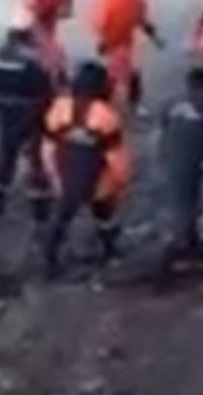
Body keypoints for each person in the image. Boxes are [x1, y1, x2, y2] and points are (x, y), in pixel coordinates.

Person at [40, 60, 133, 275]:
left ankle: (50, 255)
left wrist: (53, 174)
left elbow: (48, 146)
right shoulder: (106, 116)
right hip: (98, 176)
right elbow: (116, 156)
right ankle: (110, 250)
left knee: (63, 214)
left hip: (66, 171)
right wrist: (122, 180)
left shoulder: (59, 108)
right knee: (104, 213)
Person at [0, 20, 57, 220]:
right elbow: (45, 89)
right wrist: (47, 116)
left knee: (5, 154)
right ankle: (39, 206)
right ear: (28, 38)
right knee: (34, 157)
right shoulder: (33, 59)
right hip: (28, 112)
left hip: (3, 111)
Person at [157, 65, 203, 264]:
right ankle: (182, 244)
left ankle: (183, 237)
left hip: (172, 155)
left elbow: (161, 130)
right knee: (189, 199)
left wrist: (162, 154)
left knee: (176, 197)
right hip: (193, 157)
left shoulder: (172, 102)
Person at [88, 0, 162, 110]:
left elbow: (141, 18)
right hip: (114, 43)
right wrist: (103, 40)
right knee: (122, 75)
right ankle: (114, 105)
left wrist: (154, 37)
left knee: (122, 74)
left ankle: (112, 103)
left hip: (125, 42)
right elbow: (101, 20)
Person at [22, 0, 73, 81]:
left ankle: (52, 78)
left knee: (51, 53)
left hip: (47, 20)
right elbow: (30, 2)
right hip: (37, 21)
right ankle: (52, 78)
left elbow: (67, 2)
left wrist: (63, 9)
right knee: (53, 55)